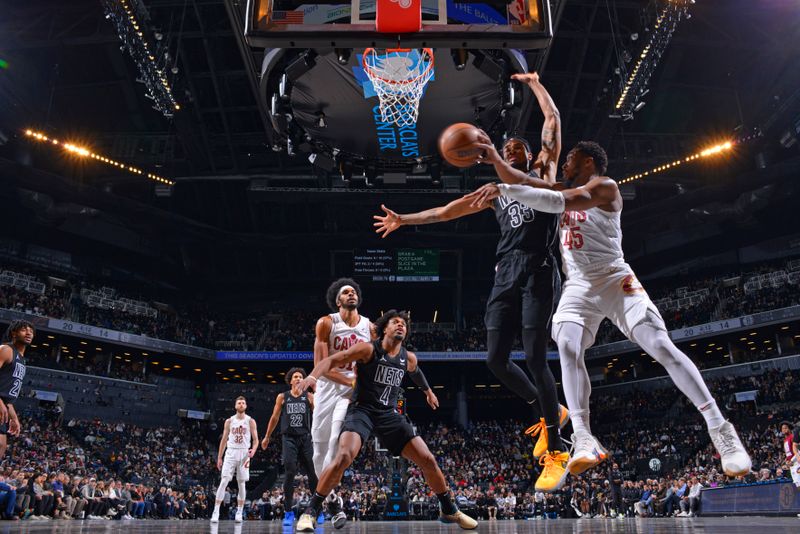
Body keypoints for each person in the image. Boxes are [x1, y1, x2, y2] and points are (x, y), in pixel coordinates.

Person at [467, 139, 752, 478]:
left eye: (571, 157)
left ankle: (720, 429)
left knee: (660, 345)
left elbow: (557, 199)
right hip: (579, 285)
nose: (565, 160)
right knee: (568, 347)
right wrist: (503, 175)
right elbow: (532, 184)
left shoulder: (604, 186)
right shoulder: (558, 186)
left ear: (589, 161)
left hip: (616, 279)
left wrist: (504, 181)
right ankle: (583, 436)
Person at [373, 72, 569, 491]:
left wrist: (535, 84)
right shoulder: (494, 191)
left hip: (538, 267)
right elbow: (446, 211)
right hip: (505, 270)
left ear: (529, 154)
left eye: (517, 146)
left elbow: (552, 119)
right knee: (495, 360)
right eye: (506, 146)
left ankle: (556, 449)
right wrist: (403, 220)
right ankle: (549, 409)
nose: (509, 148)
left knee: (536, 358)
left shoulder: (544, 172)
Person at [292, 310, 474, 532]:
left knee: (427, 458)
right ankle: (311, 511)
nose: (400, 326)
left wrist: (428, 392)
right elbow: (333, 359)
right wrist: (312, 376)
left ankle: (448, 509)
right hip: (362, 411)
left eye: (403, 324)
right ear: (384, 329)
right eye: (395, 322)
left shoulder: (408, 357)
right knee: (344, 456)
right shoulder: (368, 349)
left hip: (389, 415)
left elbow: (416, 372)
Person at [311, 278, 374, 527]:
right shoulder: (326, 323)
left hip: (351, 394)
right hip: (328, 388)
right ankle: (333, 501)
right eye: (345, 292)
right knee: (318, 452)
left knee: (336, 442)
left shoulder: (369, 327)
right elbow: (321, 366)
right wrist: (349, 381)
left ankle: (316, 504)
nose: (351, 294)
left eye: (353, 292)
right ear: (338, 301)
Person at [261, 367, 318, 526]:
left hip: (306, 438)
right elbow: (274, 418)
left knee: (313, 473)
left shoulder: (309, 397)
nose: (299, 378)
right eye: (296, 376)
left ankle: (316, 510)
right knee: (290, 471)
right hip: (289, 439)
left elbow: (319, 416)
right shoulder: (282, 397)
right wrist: (267, 437)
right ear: (290, 380)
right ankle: (288, 511)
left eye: (301, 376)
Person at [211, 396, 258, 523]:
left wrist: (253, 450)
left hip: (244, 453)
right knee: (224, 480)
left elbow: (256, 440)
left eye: (243, 403)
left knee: (241, 482)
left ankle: (239, 511)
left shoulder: (250, 421)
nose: (241, 404)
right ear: (235, 405)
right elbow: (223, 440)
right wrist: (219, 457)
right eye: (239, 403)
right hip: (231, 452)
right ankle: (216, 511)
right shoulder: (229, 421)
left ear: (246, 406)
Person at [0, 320, 32, 459]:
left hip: (4, 406)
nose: (29, 332)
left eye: (31, 331)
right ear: (14, 333)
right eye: (24, 330)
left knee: (2, 446)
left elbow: (8, 396)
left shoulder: (22, 359)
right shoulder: (6, 350)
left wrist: (14, 418)